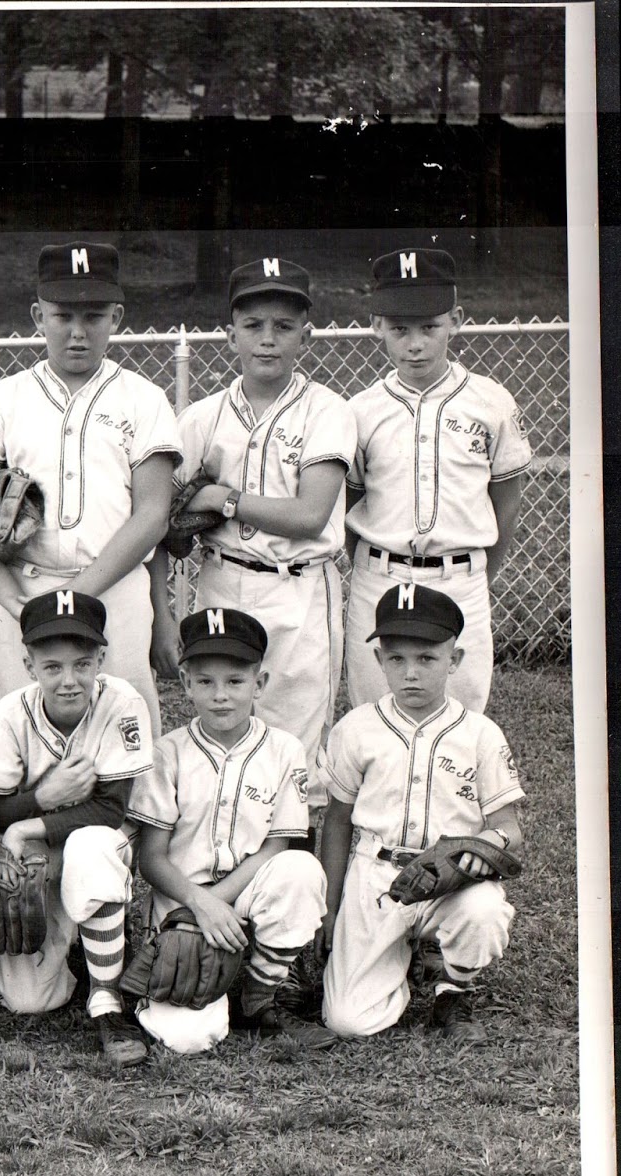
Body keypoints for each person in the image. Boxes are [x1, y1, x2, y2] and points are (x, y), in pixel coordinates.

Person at [0, 242, 179, 726]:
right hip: (24, 589)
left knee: (122, 730)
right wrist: (7, 597)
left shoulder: (144, 398)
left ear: (115, 318)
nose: (77, 332)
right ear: (38, 316)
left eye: (93, 317)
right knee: (18, 731)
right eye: (62, 316)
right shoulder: (3, 398)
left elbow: (153, 514)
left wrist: (76, 595)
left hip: (113, 587)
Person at [157, 258, 355, 795]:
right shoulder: (202, 417)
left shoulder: (326, 411)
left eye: (284, 326)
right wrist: (163, 611)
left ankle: (294, 845)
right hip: (222, 577)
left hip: (300, 586)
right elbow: (159, 514)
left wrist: (222, 499)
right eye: (253, 325)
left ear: (305, 337)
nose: (268, 339)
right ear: (230, 335)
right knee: (223, 723)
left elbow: (309, 516)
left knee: (295, 742)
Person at [320, 584, 524, 1041]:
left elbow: (509, 828)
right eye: (397, 658)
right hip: (377, 875)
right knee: (349, 1023)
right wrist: (329, 909)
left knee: (484, 910)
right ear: (379, 660)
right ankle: (405, 953)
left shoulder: (480, 734)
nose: (411, 673)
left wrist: (484, 844)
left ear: (454, 660)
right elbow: (336, 820)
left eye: (427, 658)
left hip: (451, 879)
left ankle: (453, 989)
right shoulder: (356, 729)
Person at [126, 607, 334, 1053]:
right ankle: (173, 990)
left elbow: (277, 847)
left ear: (260, 683)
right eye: (205, 681)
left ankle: (259, 995)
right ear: (186, 684)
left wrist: (216, 903)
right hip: (182, 902)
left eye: (236, 681)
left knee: (300, 870)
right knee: (189, 1039)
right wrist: (198, 905)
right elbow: (151, 859)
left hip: (247, 892)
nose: (220, 695)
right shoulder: (167, 753)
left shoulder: (284, 750)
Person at [343, 248, 533, 713]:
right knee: (375, 717)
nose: (415, 344)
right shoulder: (361, 410)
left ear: (456, 321)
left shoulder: (490, 401)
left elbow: (506, 500)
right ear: (376, 325)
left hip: (460, 578)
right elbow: (350, 501)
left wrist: (479, 572)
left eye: (429, 327)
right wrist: (369, 566)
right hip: (379, 578)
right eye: (399, 329)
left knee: (460, 719)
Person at [0, 590, 154, 1066]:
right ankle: (80, 940)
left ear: (101, 661)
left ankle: (107, 1001)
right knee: (29, 1001)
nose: (69, 680)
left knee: (91, 847)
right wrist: (42, 798)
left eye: (82, 665)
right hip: (39, 860)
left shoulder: (122, 702)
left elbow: (109, 810)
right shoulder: (10, 714)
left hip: (103, 846)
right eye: (52, 667)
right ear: (29, 666)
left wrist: (25, 824)